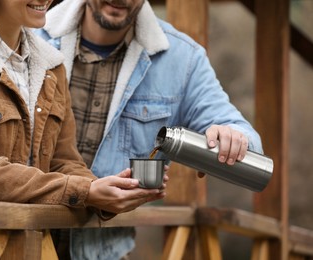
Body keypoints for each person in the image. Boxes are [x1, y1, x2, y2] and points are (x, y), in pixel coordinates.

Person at [0, 0, 167, 259]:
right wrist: (85, 191)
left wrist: (107, 190)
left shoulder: (51, 66)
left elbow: (64, 162)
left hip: (15, 245)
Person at [34, 0, 264, 259]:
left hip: (105, 251)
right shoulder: (30, 35)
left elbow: (248, 142)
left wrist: (232, 136)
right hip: (16, 242)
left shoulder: (183, 59)